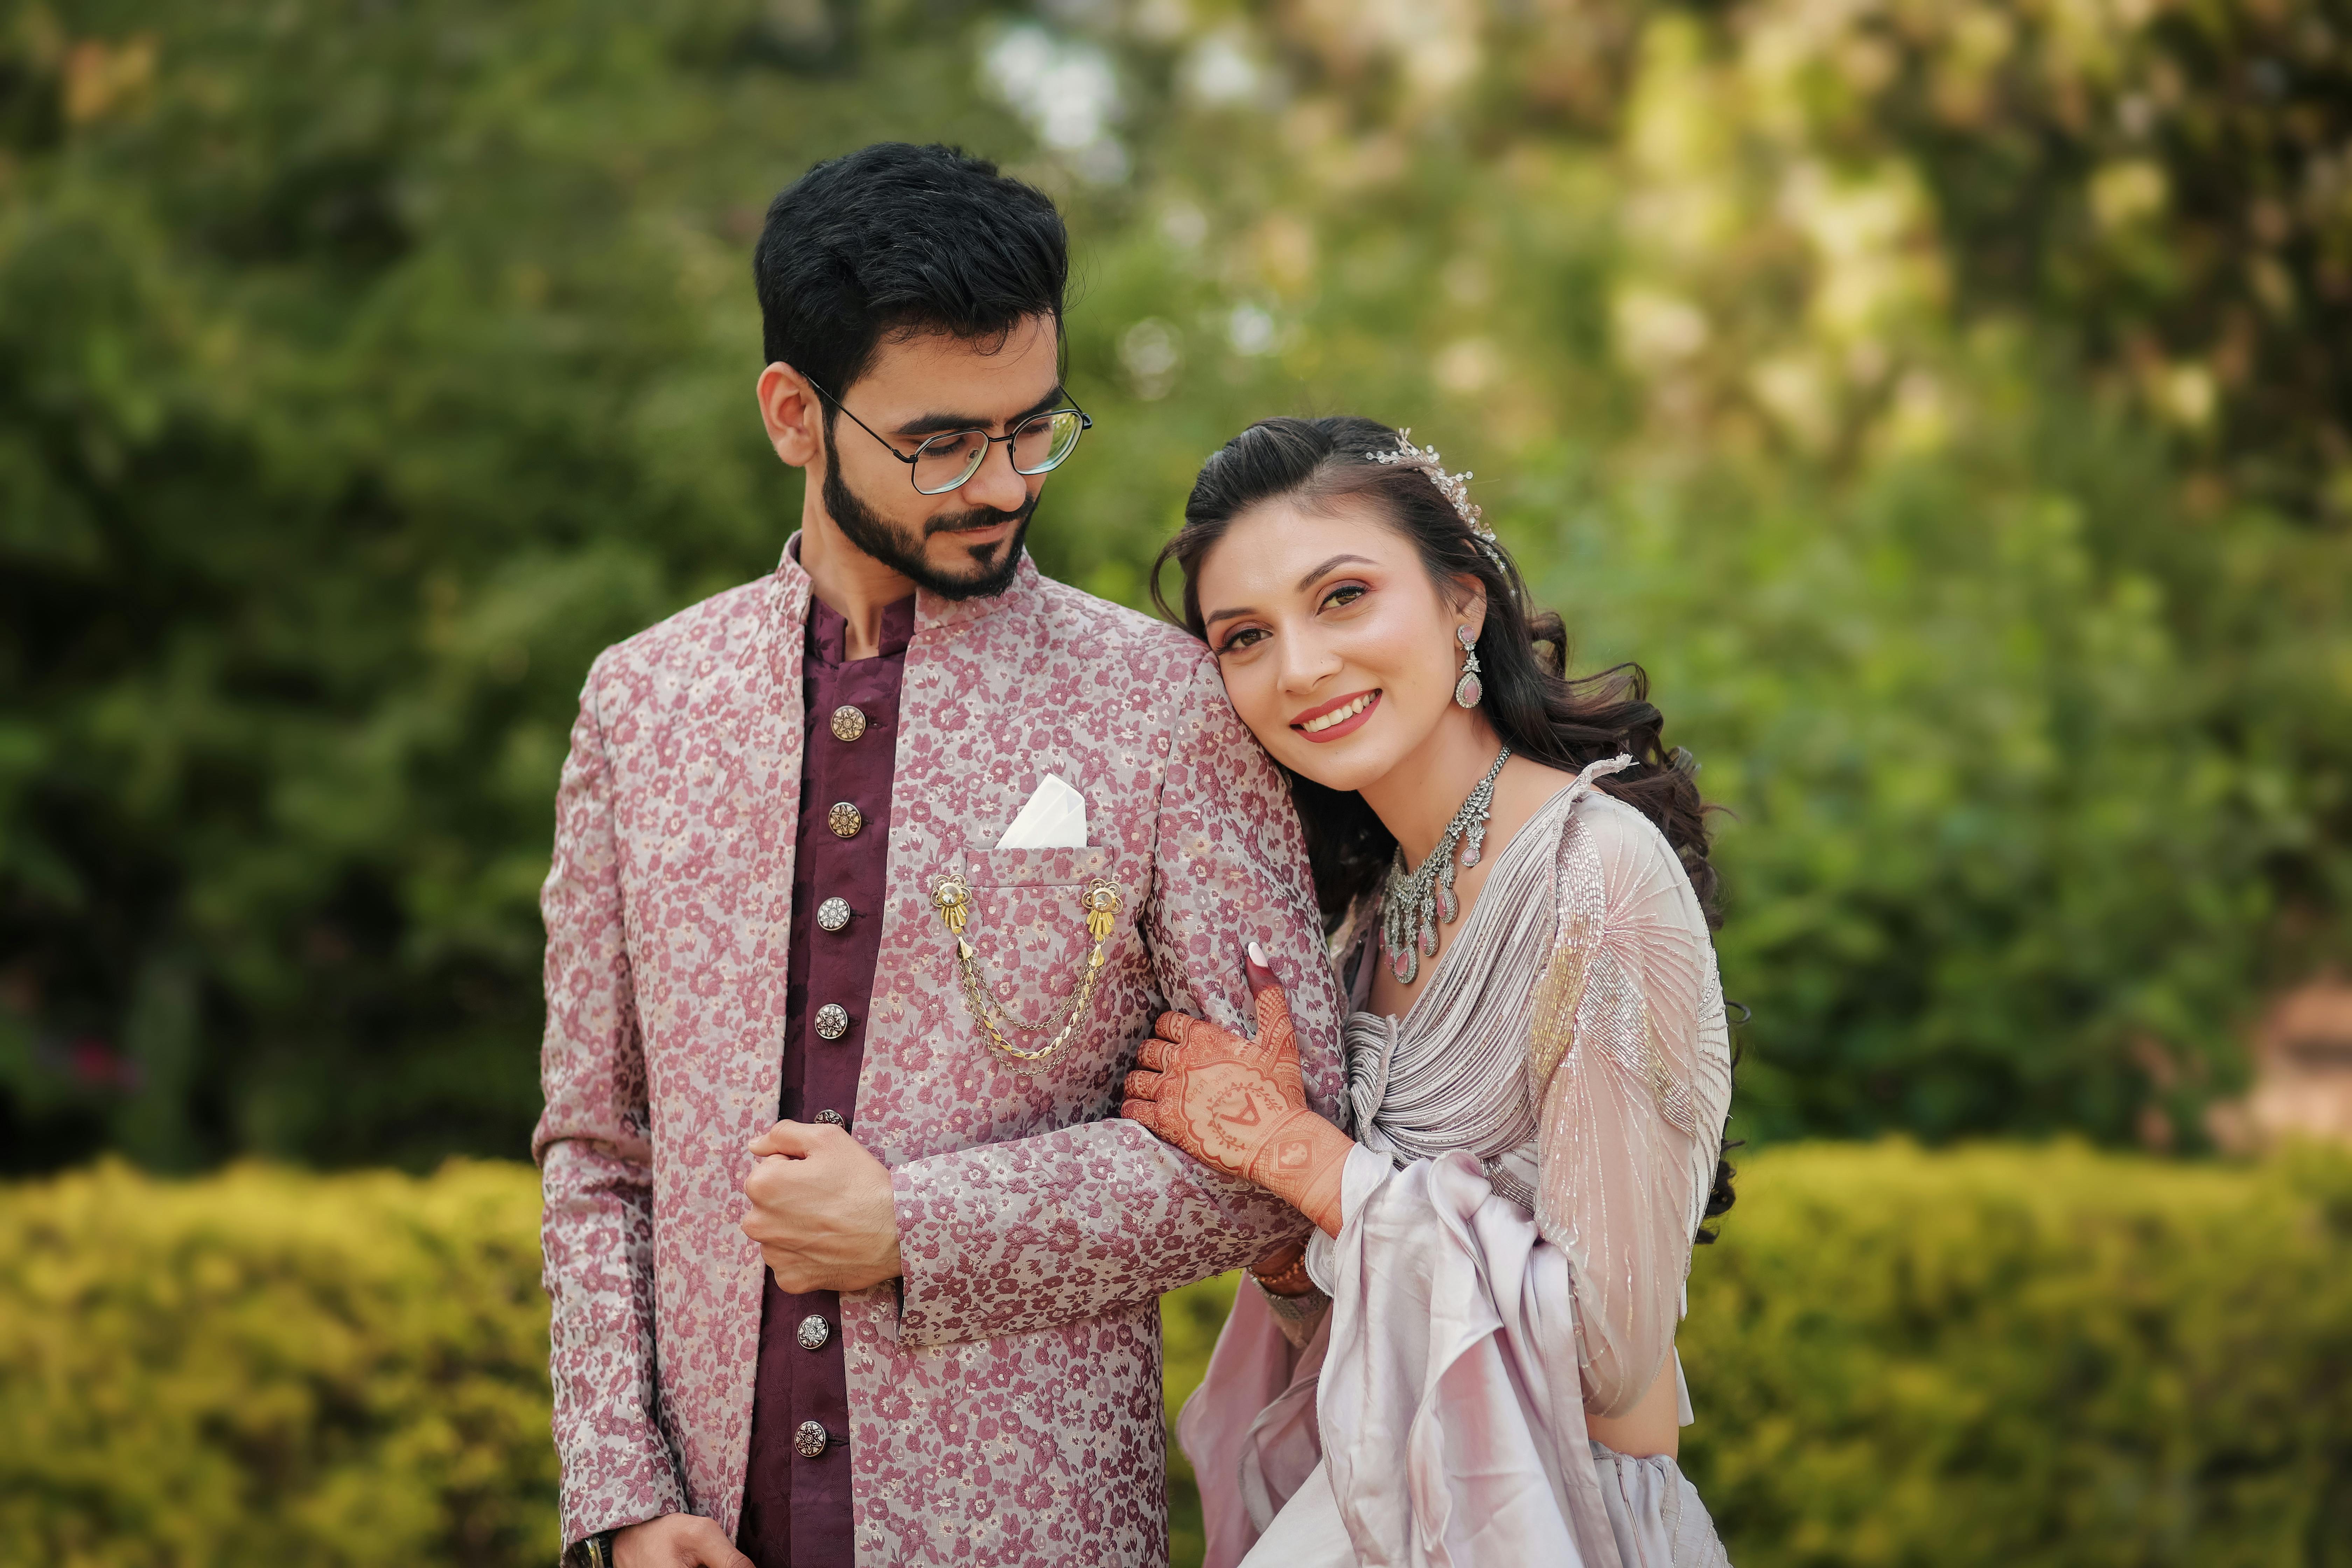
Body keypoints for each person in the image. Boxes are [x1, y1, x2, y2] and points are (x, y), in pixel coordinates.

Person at [532, 145, 1345, 1568]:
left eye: (1035, 428)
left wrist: (920, 1224)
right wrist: (623, 1499)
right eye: (943, 443)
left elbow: (1289, 1153)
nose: (1005, 482)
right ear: (796, 414)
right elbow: (598, 1149)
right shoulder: (642, 705)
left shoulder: (1161, 704)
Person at [1123, 415, 1739, 1566]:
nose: (1300, 667)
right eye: (1244, 636)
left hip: (1556, 1525)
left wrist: (1303, 1159)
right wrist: (1275, 1235)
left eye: (1343, 597)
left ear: (1465, 601)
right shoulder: (1354, 924)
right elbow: (1357, 1336)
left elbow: (1611, 1360)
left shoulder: (1592, 876)